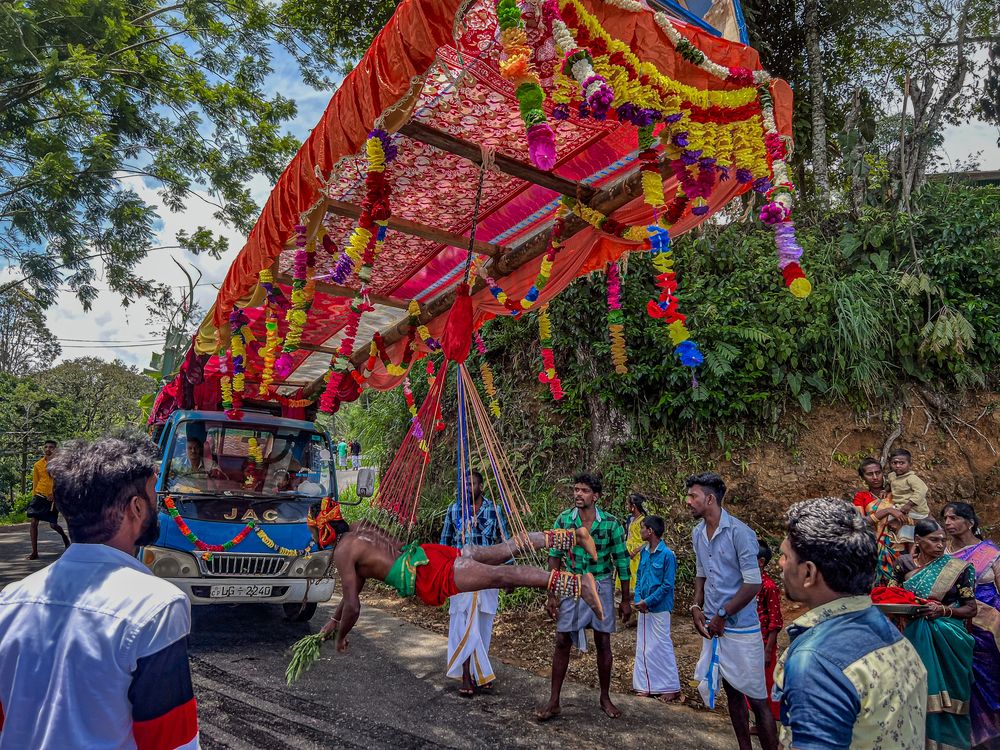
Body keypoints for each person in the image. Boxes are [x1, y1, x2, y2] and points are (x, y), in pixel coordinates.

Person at [0, 434, 199, 749]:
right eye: (153, 497)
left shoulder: (9, 600)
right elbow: (171, 741)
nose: (157, 507)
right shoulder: (157, 607)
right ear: (136, 508)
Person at [774, 497, 927, 750]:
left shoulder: (816, 660)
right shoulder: (888, 631)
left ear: (809, 573)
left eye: (785, 556)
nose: (780, 564)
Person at [320, 523, 602, 653]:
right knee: (504, 550)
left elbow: (354, 604)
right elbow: (351, 594)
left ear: (322, 531)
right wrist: (334, 621)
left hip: (428, 574)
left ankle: (578, 584)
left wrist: (341, 637)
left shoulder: (343, 551)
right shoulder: (358, 530)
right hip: (430, 554)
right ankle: (572, 536)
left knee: (502, 576)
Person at [686, 472, 777, 750]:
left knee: (758, 699)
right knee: (732, 695)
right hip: (715, 628)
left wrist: (723, 614)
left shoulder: (741, 533)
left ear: (710, 499)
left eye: (693, 496)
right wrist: (696, 606)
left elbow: (753, 583)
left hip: (742, 630)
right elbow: (702, 573)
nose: (688, 501)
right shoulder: (697, 533)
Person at [538, 473, 631, 721]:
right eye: (576, 489)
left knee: (603, 643)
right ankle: (554, 701)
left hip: (601, 584)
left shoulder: (611, 523)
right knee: (562, 641)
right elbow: (555, 556)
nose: (578, 494)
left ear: (596, 496)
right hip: (571, 582)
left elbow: (622, 562)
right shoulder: (565, 519)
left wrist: (626, 599)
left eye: (585, 490)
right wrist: (551, 594)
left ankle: (605, 697)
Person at [891, 517, 978, 749]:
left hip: (948, 637)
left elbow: (971, 608)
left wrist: (943, 610)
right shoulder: (903, 564)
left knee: (950, 695)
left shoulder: (958, 568)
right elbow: (889, 596)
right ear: (918, 540)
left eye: (943, 540)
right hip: (909, 633)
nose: (940, 545)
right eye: (934, 540)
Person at [439, 470, 509, 697]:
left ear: (481, 487)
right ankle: (467, 675)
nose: (467, 488)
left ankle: (481, 673)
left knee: (483, 624)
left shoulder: (494, 510)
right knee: (464, 622)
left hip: (488, 576)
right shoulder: (454, 509)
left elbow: (505, 544)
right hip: (461, 575)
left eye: (472, 484)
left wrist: (509, 575)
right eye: (464, 484)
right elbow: (445, 543)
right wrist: (442, 572)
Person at [944, 502, 1000, 750]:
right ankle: (971, 735)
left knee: (990, 677)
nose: (948, 523)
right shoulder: (941, 553)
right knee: (963, 677)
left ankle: (994, 731)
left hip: (989, 625)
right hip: (956, 625)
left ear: (970, 522)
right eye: (945, 518)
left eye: (954, 518)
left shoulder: (989, 552)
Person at [631, 515, 681, 703]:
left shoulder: (667, 555)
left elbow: (667, 585)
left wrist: (648, 601)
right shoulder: (644, 552)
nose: (641, 530)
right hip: (644, 606)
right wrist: (638, 599)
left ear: (650, 531)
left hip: (659, 608)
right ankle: (645, 685)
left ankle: (671, 686)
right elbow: (640, 577)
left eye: (643, 528)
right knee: (644, 646)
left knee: (661, 645)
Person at [855, 457, 909, 584]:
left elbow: (914, 515)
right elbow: (860, 523)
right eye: (869, 474)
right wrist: (887, 511)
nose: (875, 477)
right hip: (874, 549)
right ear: (863, 478)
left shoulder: (897, 493)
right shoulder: (861, 497)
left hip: (899, 547)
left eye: (878, 472)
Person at [752, 538, 782, 725]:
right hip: (750, 641)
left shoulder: (769, 587)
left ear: (761, 562)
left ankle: (767, 722)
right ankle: (758, 721)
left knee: (766, 684)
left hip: (763, 644)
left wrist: (768, 650)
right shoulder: (748, 584)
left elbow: (775, 622)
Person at [25, 440, 70, 559]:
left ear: (56, 449)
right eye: (46, 447)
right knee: (34, 523)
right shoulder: (38, 465)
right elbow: (35, 482)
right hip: (39, 496)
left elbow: (63, 482)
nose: (48, 449)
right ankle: (34, 552)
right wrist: (34, 497)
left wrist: (55, 495)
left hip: (54, 498)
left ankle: (65, 538)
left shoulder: (60, 465)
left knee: (53, 525)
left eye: (51, 447)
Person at [887, 448, 930, 544]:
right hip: (900, 507)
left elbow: (922, 490)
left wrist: (909, 505)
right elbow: (890, 484)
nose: (898, 466)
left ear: (910, 464)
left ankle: (909, 547)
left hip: (915, 510)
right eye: (894, 463)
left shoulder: (911, 478)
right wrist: (885, 490)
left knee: (908, 533)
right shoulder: (892, 476)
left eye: (902, 463)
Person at [618, 494, 647, 601]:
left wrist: (635, 550)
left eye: (628, 504)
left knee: (635, 582)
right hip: (627, 554)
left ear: (633, 506)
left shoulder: (644, 520)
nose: (627, 506)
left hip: (637, 555)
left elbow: (648, 540)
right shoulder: (630, 519)